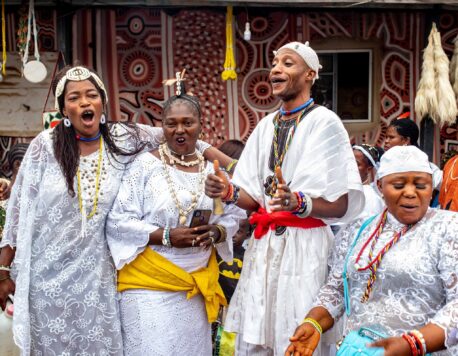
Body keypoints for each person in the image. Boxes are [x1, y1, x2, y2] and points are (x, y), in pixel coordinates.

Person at [0, 65, 230, 355]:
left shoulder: (122, 137)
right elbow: (18, 211)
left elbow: (178, 132)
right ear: (63, 109)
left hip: (98, 283)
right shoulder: (45, 146)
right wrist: (3, 271)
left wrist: (231, 168)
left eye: (91, 95)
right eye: (74, 98)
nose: (84, 102)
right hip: (45, 283)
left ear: (103, 101)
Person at [205, 41, 364, 355]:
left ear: (310, 75)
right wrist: (228, 191)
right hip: (264, 248)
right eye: (275, 63)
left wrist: (301, 203)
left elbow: (343, 204)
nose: (276, 69)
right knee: (256, 339)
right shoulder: (265, 126)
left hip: (306, 249)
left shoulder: (325, 123)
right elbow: (253, 198)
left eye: (288, 63)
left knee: (297, 335)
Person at [106, 84, 244, 355]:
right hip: (148, 287)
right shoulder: (144, 166)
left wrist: (217, 232)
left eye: (187, 123)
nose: (179, 130)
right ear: (163, 127)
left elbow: (235, 215)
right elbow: (118, 220)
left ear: (200, 126)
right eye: (171, 124)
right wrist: (166, 236)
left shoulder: (213, 170)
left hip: (194, 288)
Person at [286, 145, 458, 356]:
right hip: (359, 350)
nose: (411, 193)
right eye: (398, 185)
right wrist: (314, 322)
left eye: (421, 185)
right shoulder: (359, 230)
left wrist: (413, 344)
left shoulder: (448, 228)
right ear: (379, 186)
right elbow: (336, 289)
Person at [385, 113, 442, 190]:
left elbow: (445, 186)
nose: (386, 141)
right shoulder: (384, 162)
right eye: (386, 137)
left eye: (391, 137)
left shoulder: (426, 166)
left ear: (406, 140)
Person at [352, 144, 384, 221]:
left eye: (356, 164)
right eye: (349, 161)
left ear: (369, 169)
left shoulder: (370, 198)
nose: (350, 166)